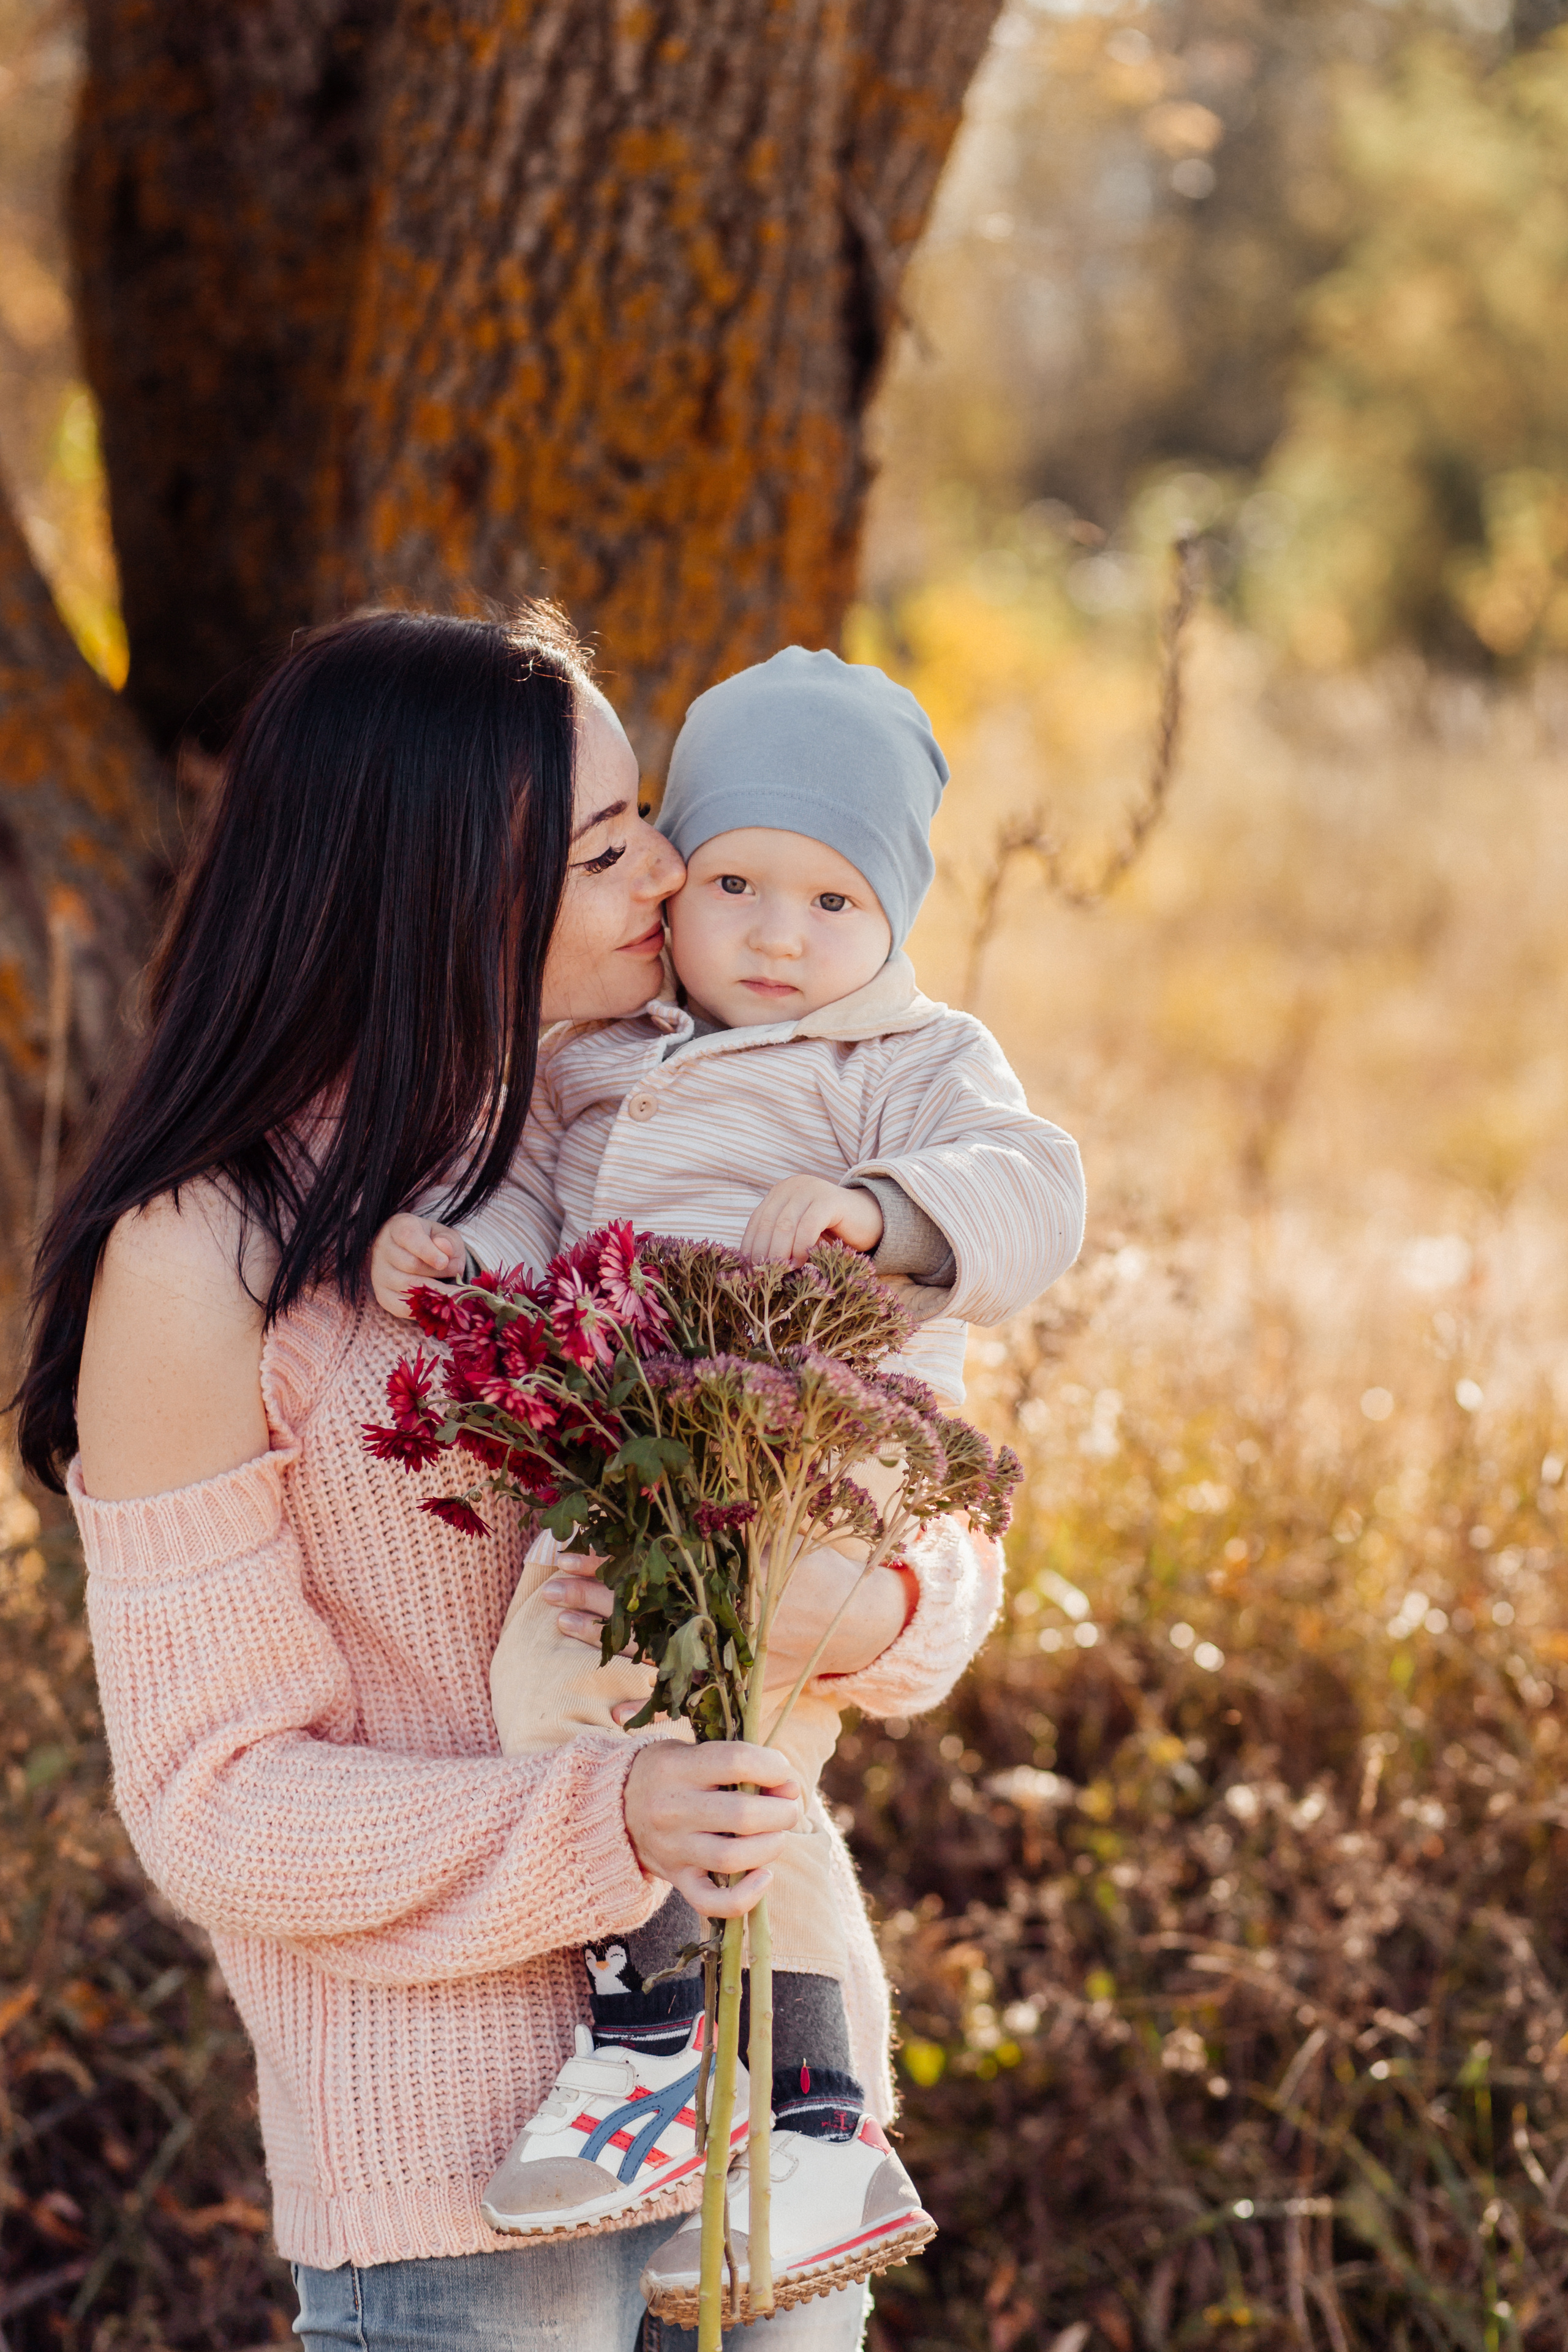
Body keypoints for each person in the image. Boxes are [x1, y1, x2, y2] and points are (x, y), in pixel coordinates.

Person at [17, 609, 1011, 2352]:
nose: (672, 871)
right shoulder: (201, 1253)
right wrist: (605, 1825)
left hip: (768, 2143)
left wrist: (880, 1600)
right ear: (439, 885)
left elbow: (915, 1458)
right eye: (608, 843)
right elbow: (211, 1798)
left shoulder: (655, 1120)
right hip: (459, 2203)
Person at [368, 647, 1086, 2322]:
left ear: (895, 920)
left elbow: (1034, 1187)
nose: (779, 934)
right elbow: (533, 1209)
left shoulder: (909, 1056)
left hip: (817, 1461)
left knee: (681, 1730)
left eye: (835, 900)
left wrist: (884, 1214)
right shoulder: (602, 1067)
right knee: (642, 1719)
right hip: (645, 1471)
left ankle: (656, 2055)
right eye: (742, 880)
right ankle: (807, 2115)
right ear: (680, 878)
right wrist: (459, 1260)